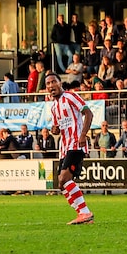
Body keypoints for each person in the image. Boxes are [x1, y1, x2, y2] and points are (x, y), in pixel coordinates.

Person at [45, 72, 94, 224]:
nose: (51, 85)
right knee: (61, 184)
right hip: (64, 147)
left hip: (76, 143)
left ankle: (85, 213)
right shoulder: (54, 107)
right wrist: (55, 130)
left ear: (60, 83)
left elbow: (88, 113)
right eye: (48, 84)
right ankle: (83, 214)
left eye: (54, 82)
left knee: (64, 178)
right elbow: (57, 128)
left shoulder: (71, 96)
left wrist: (83, 135)